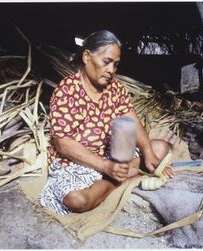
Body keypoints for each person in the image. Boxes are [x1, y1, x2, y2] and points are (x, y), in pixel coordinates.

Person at [40, 30, 174, 215]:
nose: (111, 70)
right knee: (76, 201)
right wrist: (105, 167)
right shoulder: (66, 91)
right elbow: (63, 144)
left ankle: (113, 178)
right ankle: (115, 182)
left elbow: (131, 119)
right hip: (76, 162)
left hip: (110, 154)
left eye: (116, 65)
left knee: (160, 148)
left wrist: (148, 153)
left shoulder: (116, 88)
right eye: (106, 62)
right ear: (87, 56)